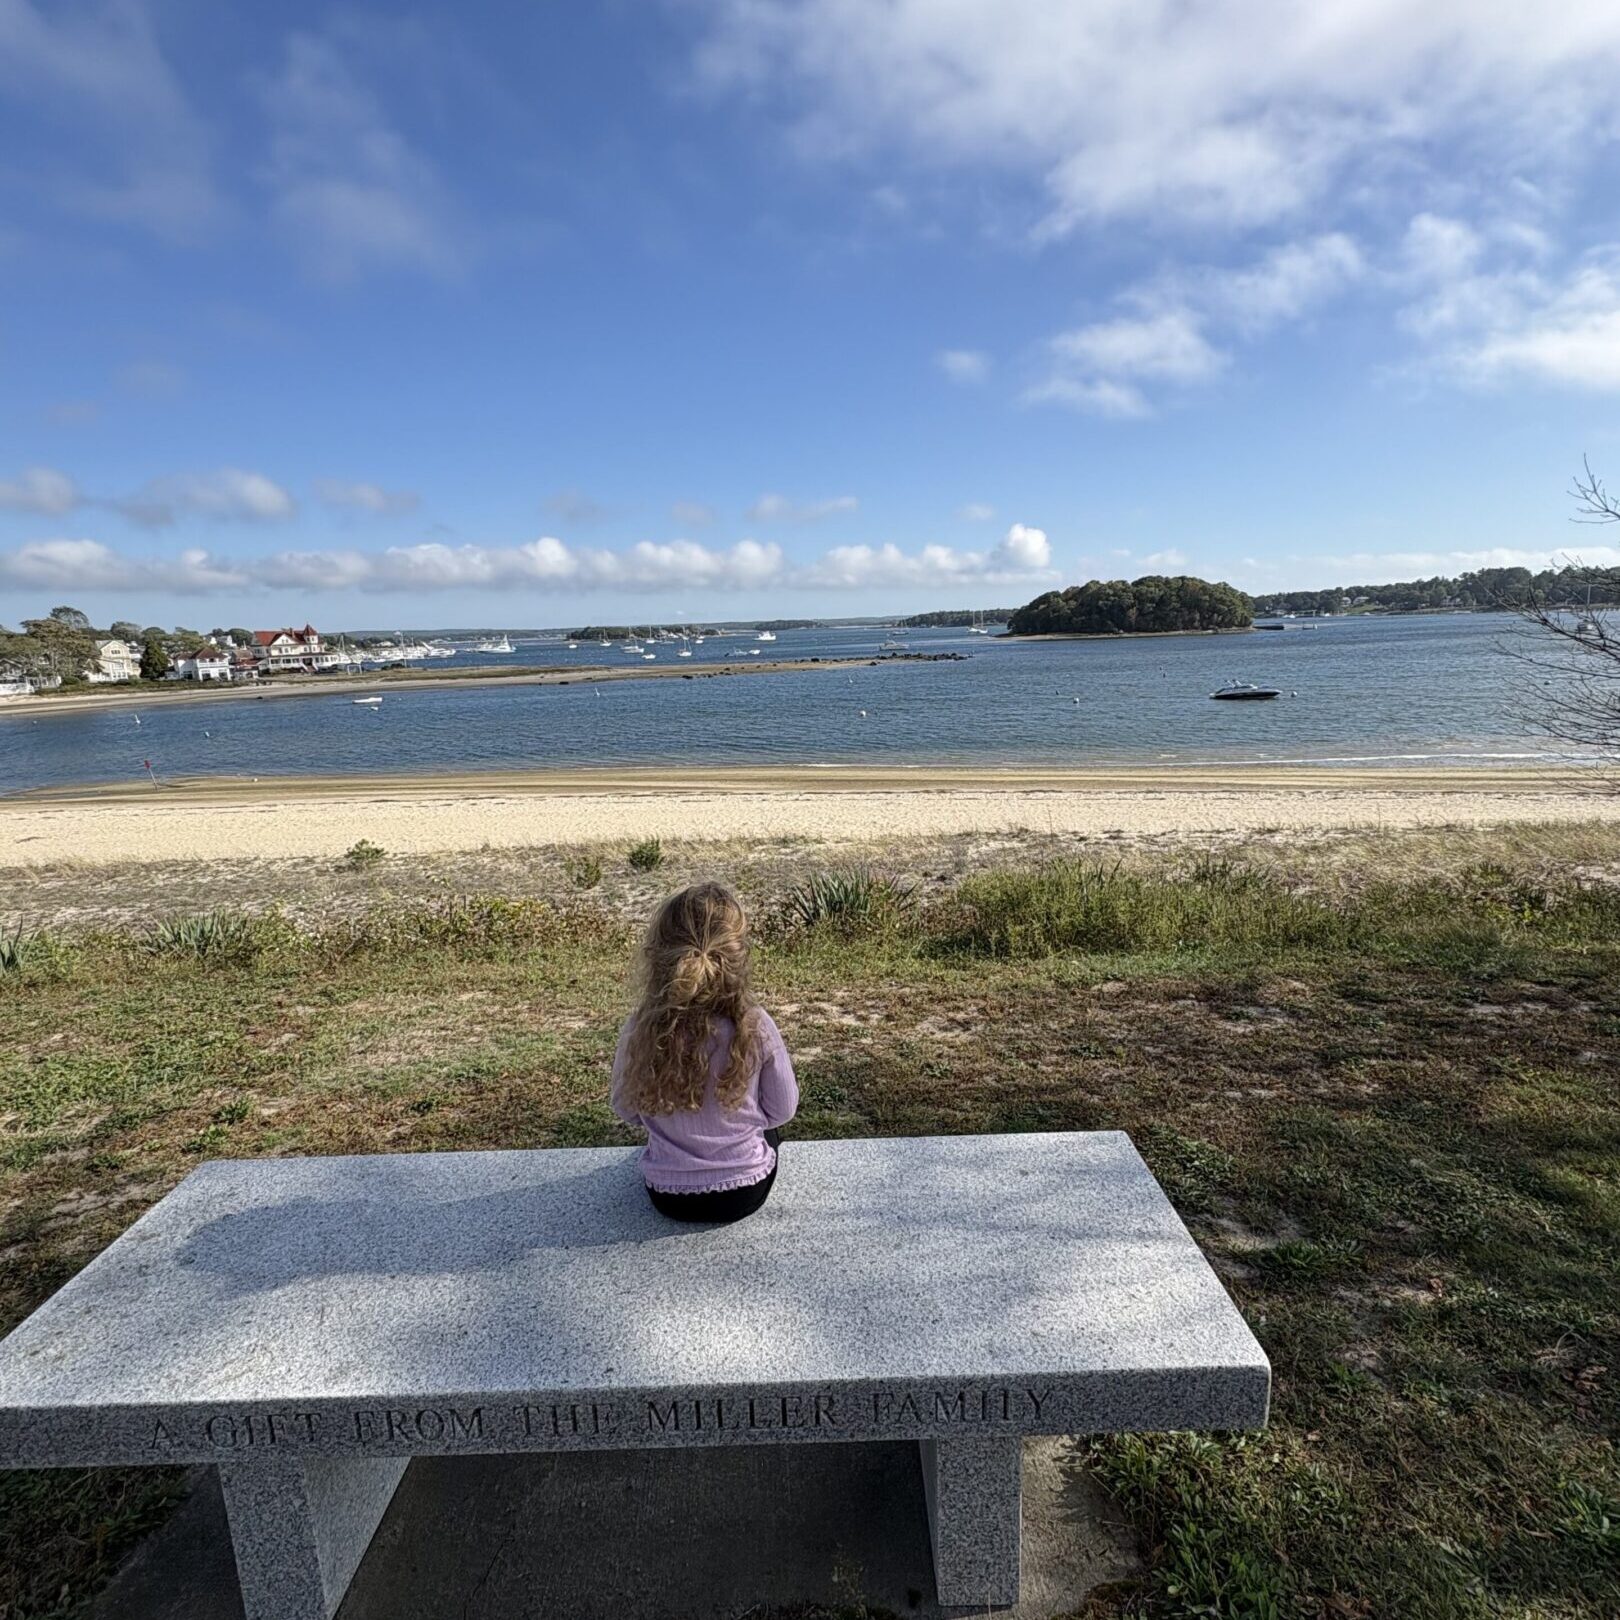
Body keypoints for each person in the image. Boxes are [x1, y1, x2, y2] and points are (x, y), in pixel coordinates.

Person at [611, 883, 798, 1222]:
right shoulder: (755, 1024)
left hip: (667, 1196)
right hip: (745, 1191)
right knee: (769, 1130)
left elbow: (626, 1108)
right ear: (739, 956)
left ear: (659, 956)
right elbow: (782, 1110)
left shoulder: (641, 1027)